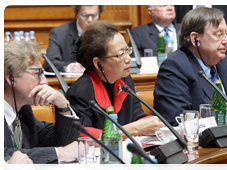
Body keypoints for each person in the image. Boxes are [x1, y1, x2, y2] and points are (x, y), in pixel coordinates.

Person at [66, 20, 164, 139]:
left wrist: (156, 125)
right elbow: (83, 136)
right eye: (120, 54)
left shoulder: (125, 81)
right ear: (98, 63)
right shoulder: (79, 92)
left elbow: (137, 118)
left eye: (127, 50)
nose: (128, 59)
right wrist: (135, 128)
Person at [4, 41, 84, 169]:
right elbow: (4, 155)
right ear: (10, 78)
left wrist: (63, 106)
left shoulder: (24, 111)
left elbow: (59, 141)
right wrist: (60, 153)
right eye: (37, 74)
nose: (45, 82)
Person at [154, 7, 227, 126]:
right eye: (219, 34)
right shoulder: (174, 69)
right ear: (195, 39)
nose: (226, 41)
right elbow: (180, 123)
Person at [43, 5, 104, 73]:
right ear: (76, 13)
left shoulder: (106, 34)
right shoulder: (58, 33)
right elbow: (49, 63)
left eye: (94, 15)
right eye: (84, 15)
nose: (90, 20)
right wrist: (70, 67)